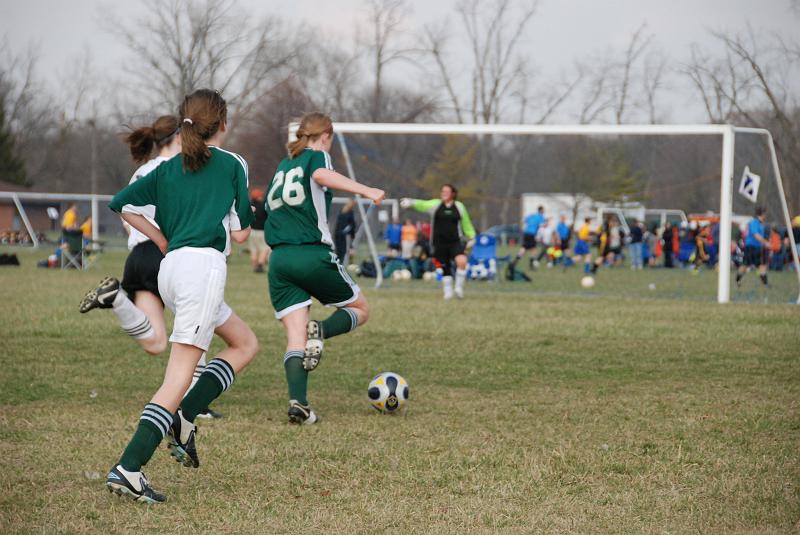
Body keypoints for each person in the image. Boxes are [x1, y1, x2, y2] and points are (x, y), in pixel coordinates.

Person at [100, 89, 258, 503]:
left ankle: (186, 415)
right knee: (177, 378)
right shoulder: (232, 164)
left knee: (244, 343)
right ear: (223, 123)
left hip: (172, 271)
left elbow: (121, 204)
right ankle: (128, 467)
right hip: (202, 270)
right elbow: (241, 233)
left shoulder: (168, 167)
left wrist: (160, 238)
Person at [265, 112, 384, 425]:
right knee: (360, 308)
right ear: (326, 134)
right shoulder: (318, 156)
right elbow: (321, 175)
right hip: (311, 253)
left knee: (295, 336)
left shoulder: (284, 165)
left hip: (279, 259)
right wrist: (366, 190)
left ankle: (299, 405)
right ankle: (323, 329)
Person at [401, 184, 476, 300]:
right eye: (442, 191)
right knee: (443, 266)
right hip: (439, 243)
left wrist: (472, 236)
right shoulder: (436, 205)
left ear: (453, 194)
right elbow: (423, 204)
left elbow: (466, 222)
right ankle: (448, 292)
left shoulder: (459, 207)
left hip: (455, 242)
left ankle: (459, 289)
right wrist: (411, 202)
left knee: (462, 261)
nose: (444, 193)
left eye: (447, 191)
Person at [736, 207, 770, 287]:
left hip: (759, 248)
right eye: (765, 213)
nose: (766, 215)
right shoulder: (754, 222)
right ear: (762, 214)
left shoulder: (762, 224)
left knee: (762, 265)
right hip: (750, 247)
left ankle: (765, 284)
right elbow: (756, 235)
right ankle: (738, 280)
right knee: (744, 266)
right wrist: (766, 242)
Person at [515, 205, 545, 269]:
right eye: (543, 210)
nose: (544, 211)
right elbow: (541, 227)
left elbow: (523, 220)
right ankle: (531, 265)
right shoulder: (541, 217)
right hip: (532, 234)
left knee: (524, 247)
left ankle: (515, 261)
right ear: (541, 210)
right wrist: (539, 236)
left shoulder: (532, 215)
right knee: (534, 249)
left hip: (526, 233)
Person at [248, 188, 270, 273]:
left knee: (253, 249)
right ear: (259, 197)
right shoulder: (263, 206)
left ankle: (254, 266)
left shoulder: (250, 206)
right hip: (262, 231)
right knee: (264, 248)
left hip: (251, 231)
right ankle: (260, 265)